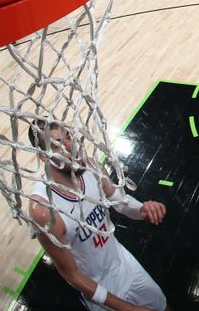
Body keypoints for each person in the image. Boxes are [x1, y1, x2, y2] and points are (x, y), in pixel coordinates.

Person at [27, 121, 168, 311]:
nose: (70, 146)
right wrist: (127, 308)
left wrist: (143, 209)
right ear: (44, 157)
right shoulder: (43, 209)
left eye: (69, 137)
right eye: (57, 145)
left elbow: (118, 199)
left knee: (163, 306)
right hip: (97, 288)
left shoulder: (91, 167)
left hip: (122, 261)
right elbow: (72, 275)